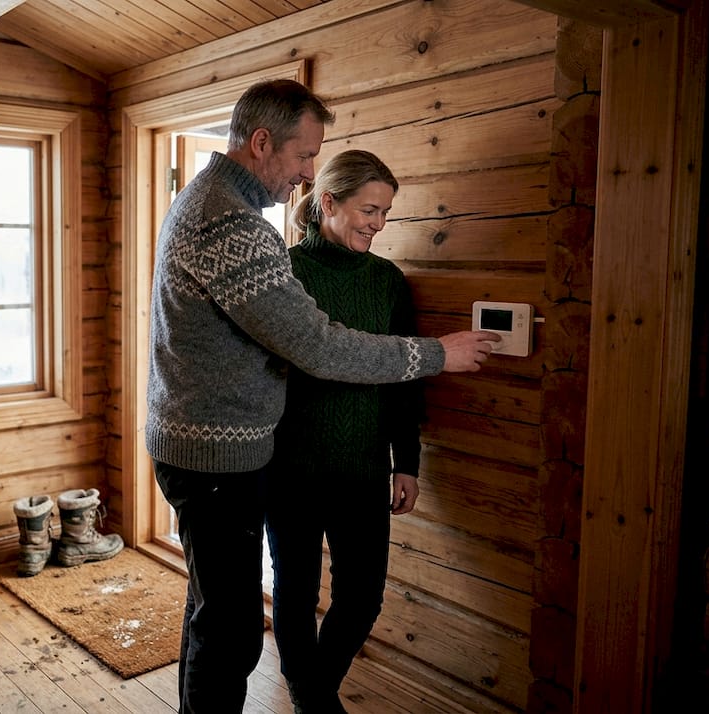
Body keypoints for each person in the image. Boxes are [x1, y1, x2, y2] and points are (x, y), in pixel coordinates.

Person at [145, 79, 499, 712]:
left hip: (207, 446)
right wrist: (440, 353)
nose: (308, 174)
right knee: (230, 633)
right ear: (261, 143)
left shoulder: (210, 203)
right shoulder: (232, 223)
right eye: (305, 155)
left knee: (213, 615)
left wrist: (403, 455)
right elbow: (319, 347)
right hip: (217, 457)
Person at [264, 149, 419, 713]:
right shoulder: (283, 274)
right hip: (291, 469)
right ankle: (316, 702)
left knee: (362, 599)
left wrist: (408, 462)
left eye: (385, 214)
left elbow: (405, 378)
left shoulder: (388, 282)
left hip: (364, 467)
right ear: (328, 202)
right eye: (369, 210)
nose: (378, 224)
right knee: (296, 594)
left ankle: (311, 693)